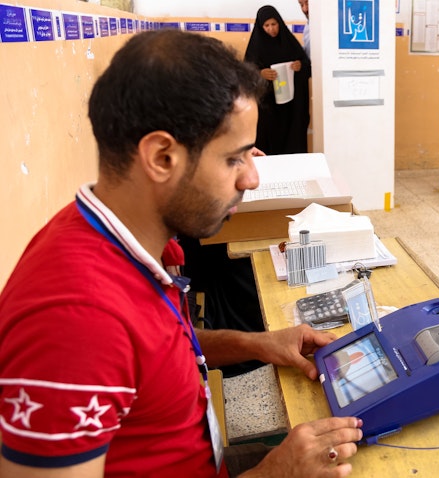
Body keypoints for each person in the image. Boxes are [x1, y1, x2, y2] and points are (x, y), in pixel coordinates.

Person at [0, 30, 361, 477]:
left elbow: (150, 357)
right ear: (162, 157)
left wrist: (258, 344)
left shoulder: (126, 242)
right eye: (235, 158)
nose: (252, 178)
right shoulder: (77, 319)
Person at [244, 5, 311, 155]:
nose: (271, 29)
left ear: (279, 23)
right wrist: (260, 74)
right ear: (261, 27)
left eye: (274, 24)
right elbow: (246, 73)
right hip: (268, 107)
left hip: (290, 107)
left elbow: (306, 64)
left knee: (291, 139)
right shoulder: (256, 47)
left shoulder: (289, 43)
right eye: (266, 25)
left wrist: (300, 65)